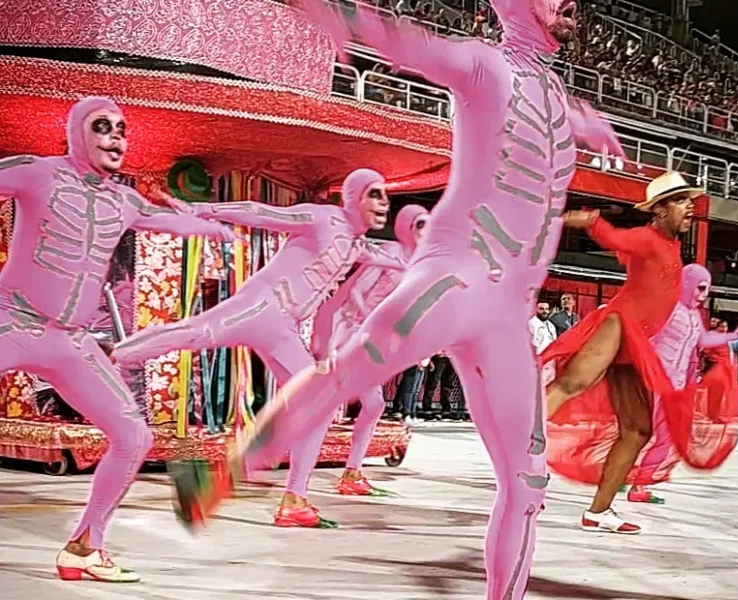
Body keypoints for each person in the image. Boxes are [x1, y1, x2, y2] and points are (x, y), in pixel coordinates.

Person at [168, 0, 624, 597]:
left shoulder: (557, 97)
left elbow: (572, 112)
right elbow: (401, 40)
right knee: (352, 370)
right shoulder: (483, 65)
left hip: (510, 309)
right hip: (459, 271)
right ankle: (224, 471)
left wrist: (593, 125)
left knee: (528, 482)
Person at [0, 96, 235, 582]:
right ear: (76, 132)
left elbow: (168, 221)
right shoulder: (35, 172)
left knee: (134, 436)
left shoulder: (123, 199)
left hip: (72, 341)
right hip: (13, 321)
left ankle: (86, 546)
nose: (115, 138)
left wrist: (211, 225)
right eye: (102, 126)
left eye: (122, 129)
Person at [114, 169, 406, 527]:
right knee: (192, 333)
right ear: (353, 197)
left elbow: (401, 260)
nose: (384, 202)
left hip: (282, 328)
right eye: (374, 194)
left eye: (385, 195)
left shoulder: (360, 246)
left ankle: (292, 500)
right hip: (261, 307)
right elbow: (262, 213)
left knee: (318, 403)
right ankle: (110, 356)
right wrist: (205, 211)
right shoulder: (322, 218)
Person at [544, 172, 738, 534]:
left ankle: (597, 512)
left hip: (638, 344)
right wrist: (591, 221)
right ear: (660, 210)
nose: (690, 207)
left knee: (637, 430)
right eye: (681, 201)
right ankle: (521, 453)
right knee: (571, 384)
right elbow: (616, 238)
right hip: (618, 324)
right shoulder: (647, 237)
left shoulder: (670, 244)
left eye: (689, 201)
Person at [318, 204, 430, 494]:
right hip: (352, 331)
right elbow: (356, 290)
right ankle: (307, 479)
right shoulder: (390, 252)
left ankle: (351, 473)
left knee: (373, 404)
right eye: (420, 225)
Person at [625, 264, 738, 504]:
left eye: (707, 290)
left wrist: (733, 336)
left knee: (666, 436)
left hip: (675, 387)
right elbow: (643, 336)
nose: (703, 295)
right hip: (652, 382)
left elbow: (703, 340)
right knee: (637, 434)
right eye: (700, 288)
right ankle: (621, 476)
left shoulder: (693, 316)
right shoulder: (668, 309)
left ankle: (639, 484)